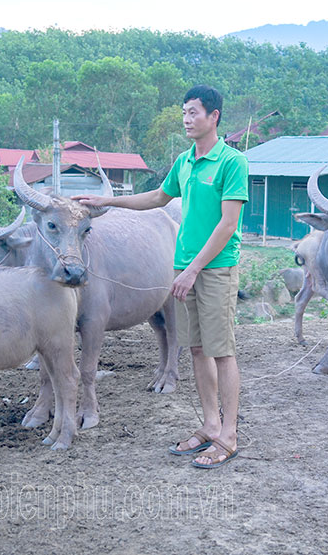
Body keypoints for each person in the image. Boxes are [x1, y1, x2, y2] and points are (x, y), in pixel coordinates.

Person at [73, 84, 249, 465]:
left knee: (222, 352)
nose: (187, 119)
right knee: (198, 350)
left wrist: (193, 269)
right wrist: (107, 200)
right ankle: (209, 427)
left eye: (193, 112)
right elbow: (157, 198)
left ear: (213, 116)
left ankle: (229, 435)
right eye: (183, 112)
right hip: (183, 267)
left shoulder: (232, 162)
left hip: (215, 268)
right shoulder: (184, 162)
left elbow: (227, 224)